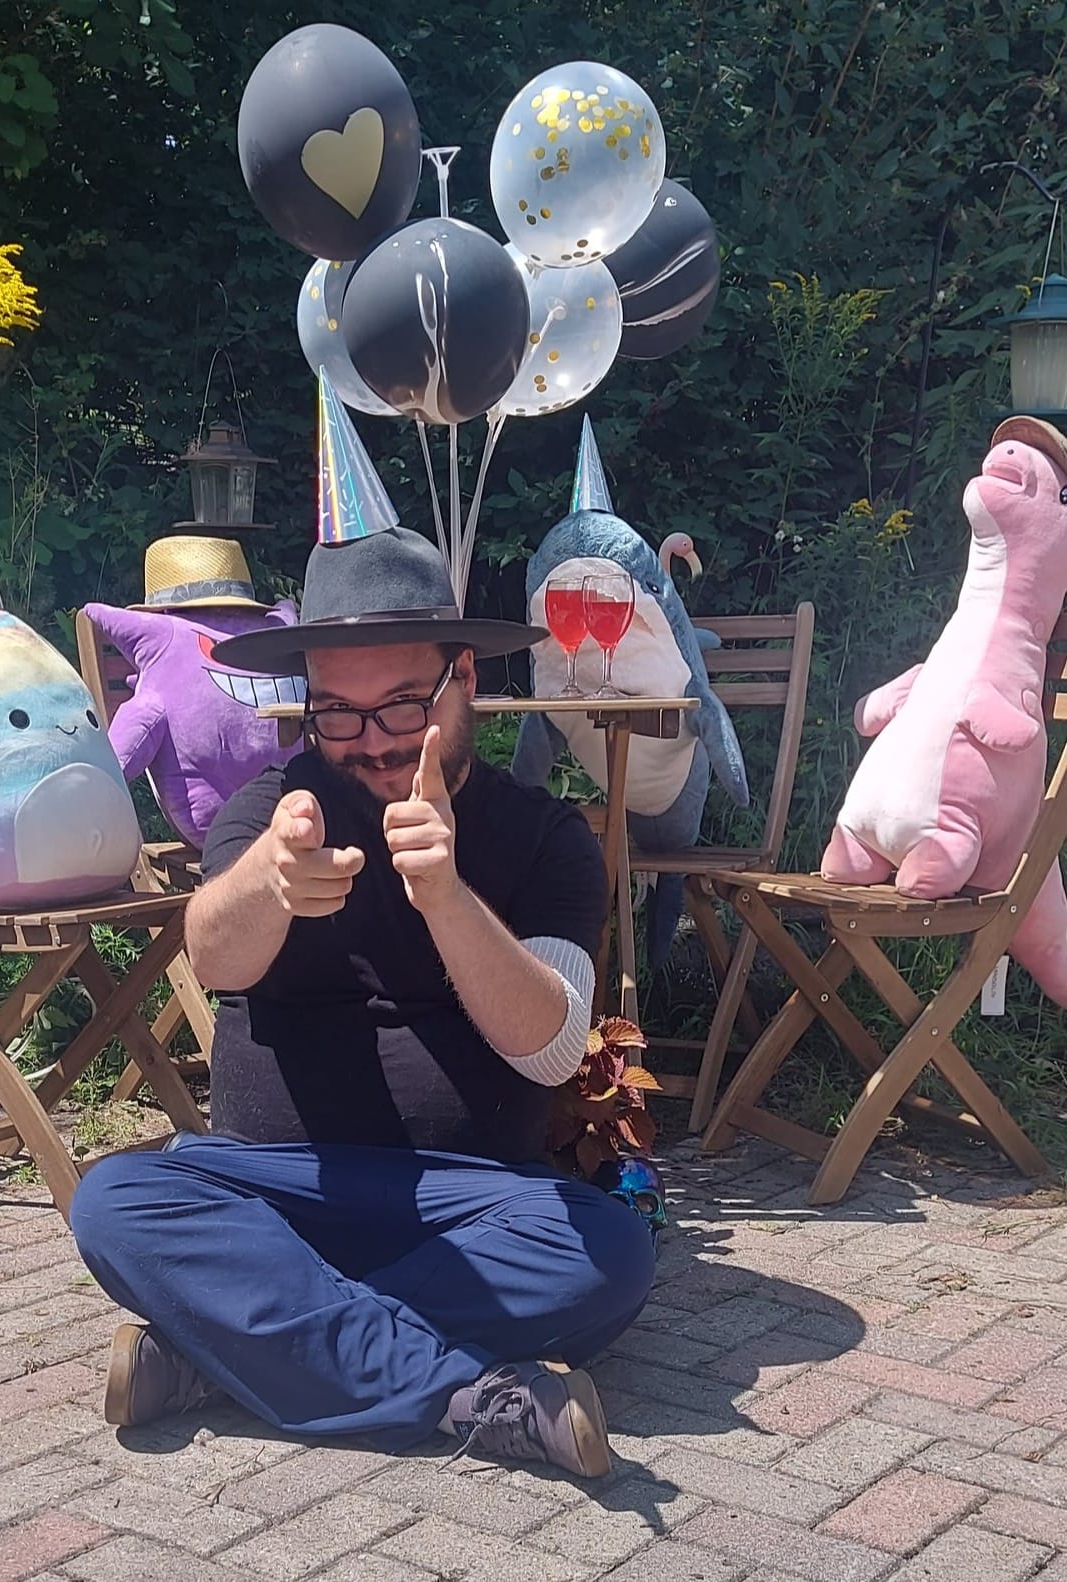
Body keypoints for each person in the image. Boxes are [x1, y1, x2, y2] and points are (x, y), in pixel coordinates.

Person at [69, 512, 656, 1481]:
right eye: (338, 711)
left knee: (607, 1248)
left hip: (474, 1206)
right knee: (117, 1198)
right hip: (276, 1193)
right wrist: (269, 882)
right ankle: (467, 1397)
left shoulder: (545, 838)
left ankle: (227, 1354)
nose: (372, 741)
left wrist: (449, 901)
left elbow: (551, 1049)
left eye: (403, 705)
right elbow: (212, 956)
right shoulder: (275, 810)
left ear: (464, 678)